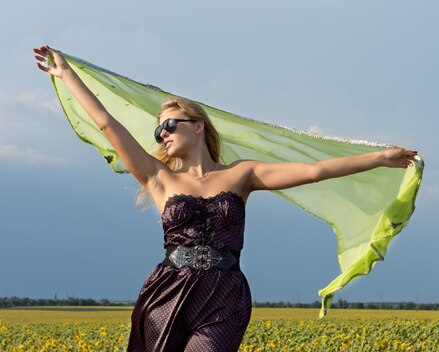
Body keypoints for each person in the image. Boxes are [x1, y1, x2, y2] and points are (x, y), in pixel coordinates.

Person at [34, 45, 418, 352]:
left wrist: (380, 158)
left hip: (224, 293)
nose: (162, 135)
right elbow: (106, 124)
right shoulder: (159, 178)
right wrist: (66, 74)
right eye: (157, 132)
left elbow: (314, 171)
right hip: (168, 289)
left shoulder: (242, 174)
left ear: (198, 125)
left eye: (169, 125)